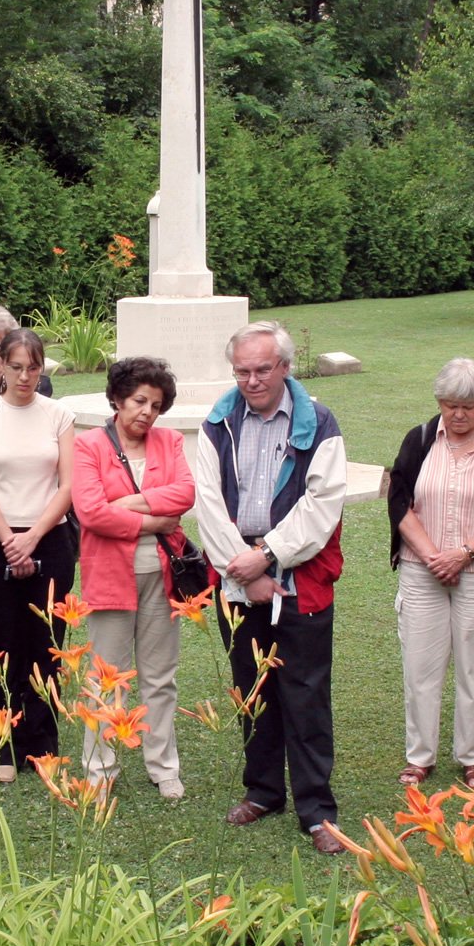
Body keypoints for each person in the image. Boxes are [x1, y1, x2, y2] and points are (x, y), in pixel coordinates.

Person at [193, 322, 348, 856]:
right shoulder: (218, 423)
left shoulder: (319, 422)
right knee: (250, 690)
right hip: (239, 576)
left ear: (285, 366)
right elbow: (207, 503)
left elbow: (322, 506)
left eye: (263, 369)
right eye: (242, 371)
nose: (252, 380)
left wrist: (267, 557)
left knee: (304, 693)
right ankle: (263, 791)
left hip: (297, 577)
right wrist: (247, 572)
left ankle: (317, 809)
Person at [386, 359, 474, 790]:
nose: (458, 415)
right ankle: (419, 758)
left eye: (467, 406)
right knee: (420, 670)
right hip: (421, 571)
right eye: (449, 405)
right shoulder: (420, 439)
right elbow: (399, 503)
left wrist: (462, 554)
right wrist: (433, 556)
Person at [72, 357, 196, 797]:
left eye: (156, 404)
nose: (147, 411)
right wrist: (154, 520)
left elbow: (185, 492)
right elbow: (88, 511)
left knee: (160, 676)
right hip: (110, 574)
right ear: (118, 398)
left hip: (164, 575)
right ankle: (99, 768)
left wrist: (126, 504)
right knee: (107, 676)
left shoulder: (170, 441)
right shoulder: (89, 445)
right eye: (139, 400)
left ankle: (164, 767)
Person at [0, 327, 77, 781]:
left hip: (48, 536)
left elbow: (67, 486)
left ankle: (41, 741)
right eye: (16, 367)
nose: (25, 376)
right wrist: (11, 540)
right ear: (1, 366)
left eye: (33, 367)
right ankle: (2, 745)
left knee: (45, 643)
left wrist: (32, 536)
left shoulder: (59, 415)